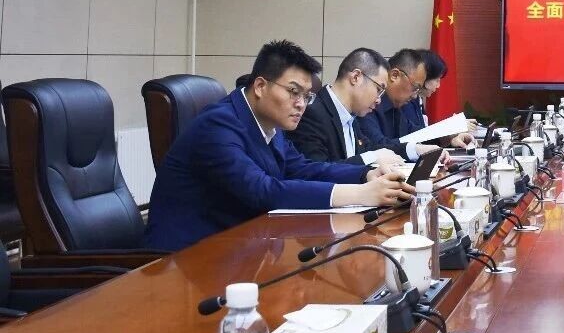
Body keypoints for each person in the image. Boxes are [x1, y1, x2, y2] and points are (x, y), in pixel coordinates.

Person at [143, 40, 413, 252]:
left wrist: (365, 174)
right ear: (261, 86)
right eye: (294, 92)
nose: (301, 104)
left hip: (240, 244)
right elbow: (263, 191)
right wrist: (361, 194)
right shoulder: (217, 125)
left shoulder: (269, 124)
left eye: (307, 96)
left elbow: (303, 168)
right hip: (185, 258)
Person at [288, 48, 406, 166]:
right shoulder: (311, 113)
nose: (379, 100)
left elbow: (369, 149)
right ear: (355, 77)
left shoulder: (350, 115)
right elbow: (316, 169)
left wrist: (411, 150)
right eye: (378, 89)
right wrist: (371, 157)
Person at [356, 48, 474, 149]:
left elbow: (415, 135)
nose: (415, 96)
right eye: (415, 87)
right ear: (395, 75)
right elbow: (378, 146)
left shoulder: (396, 107)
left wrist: (447, 137)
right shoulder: (368, 105)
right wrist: (415, 149)